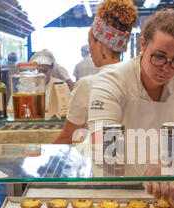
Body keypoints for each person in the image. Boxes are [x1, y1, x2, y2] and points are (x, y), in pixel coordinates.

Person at [87, 9, 174, 206]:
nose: (166, 68)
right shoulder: (112, 79)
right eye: (158, 56)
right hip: (117, 191)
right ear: (142, 44)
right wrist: (150, 164)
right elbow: (102, 144)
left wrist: (171, 172)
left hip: (166, 191)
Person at [53, 0, 138, 145]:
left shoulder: (88, 85)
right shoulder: (137, 80)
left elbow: (68, 136)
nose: (90, 50)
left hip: (103, 163)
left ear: (99, 44)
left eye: (90, 42)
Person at [8, 49, 70, 119]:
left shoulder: (60, 85)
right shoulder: (23, 84)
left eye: (45, 71)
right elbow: (11, 110)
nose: (41, 74)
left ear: (51, 69)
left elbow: (67, 111)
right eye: (38, 71)